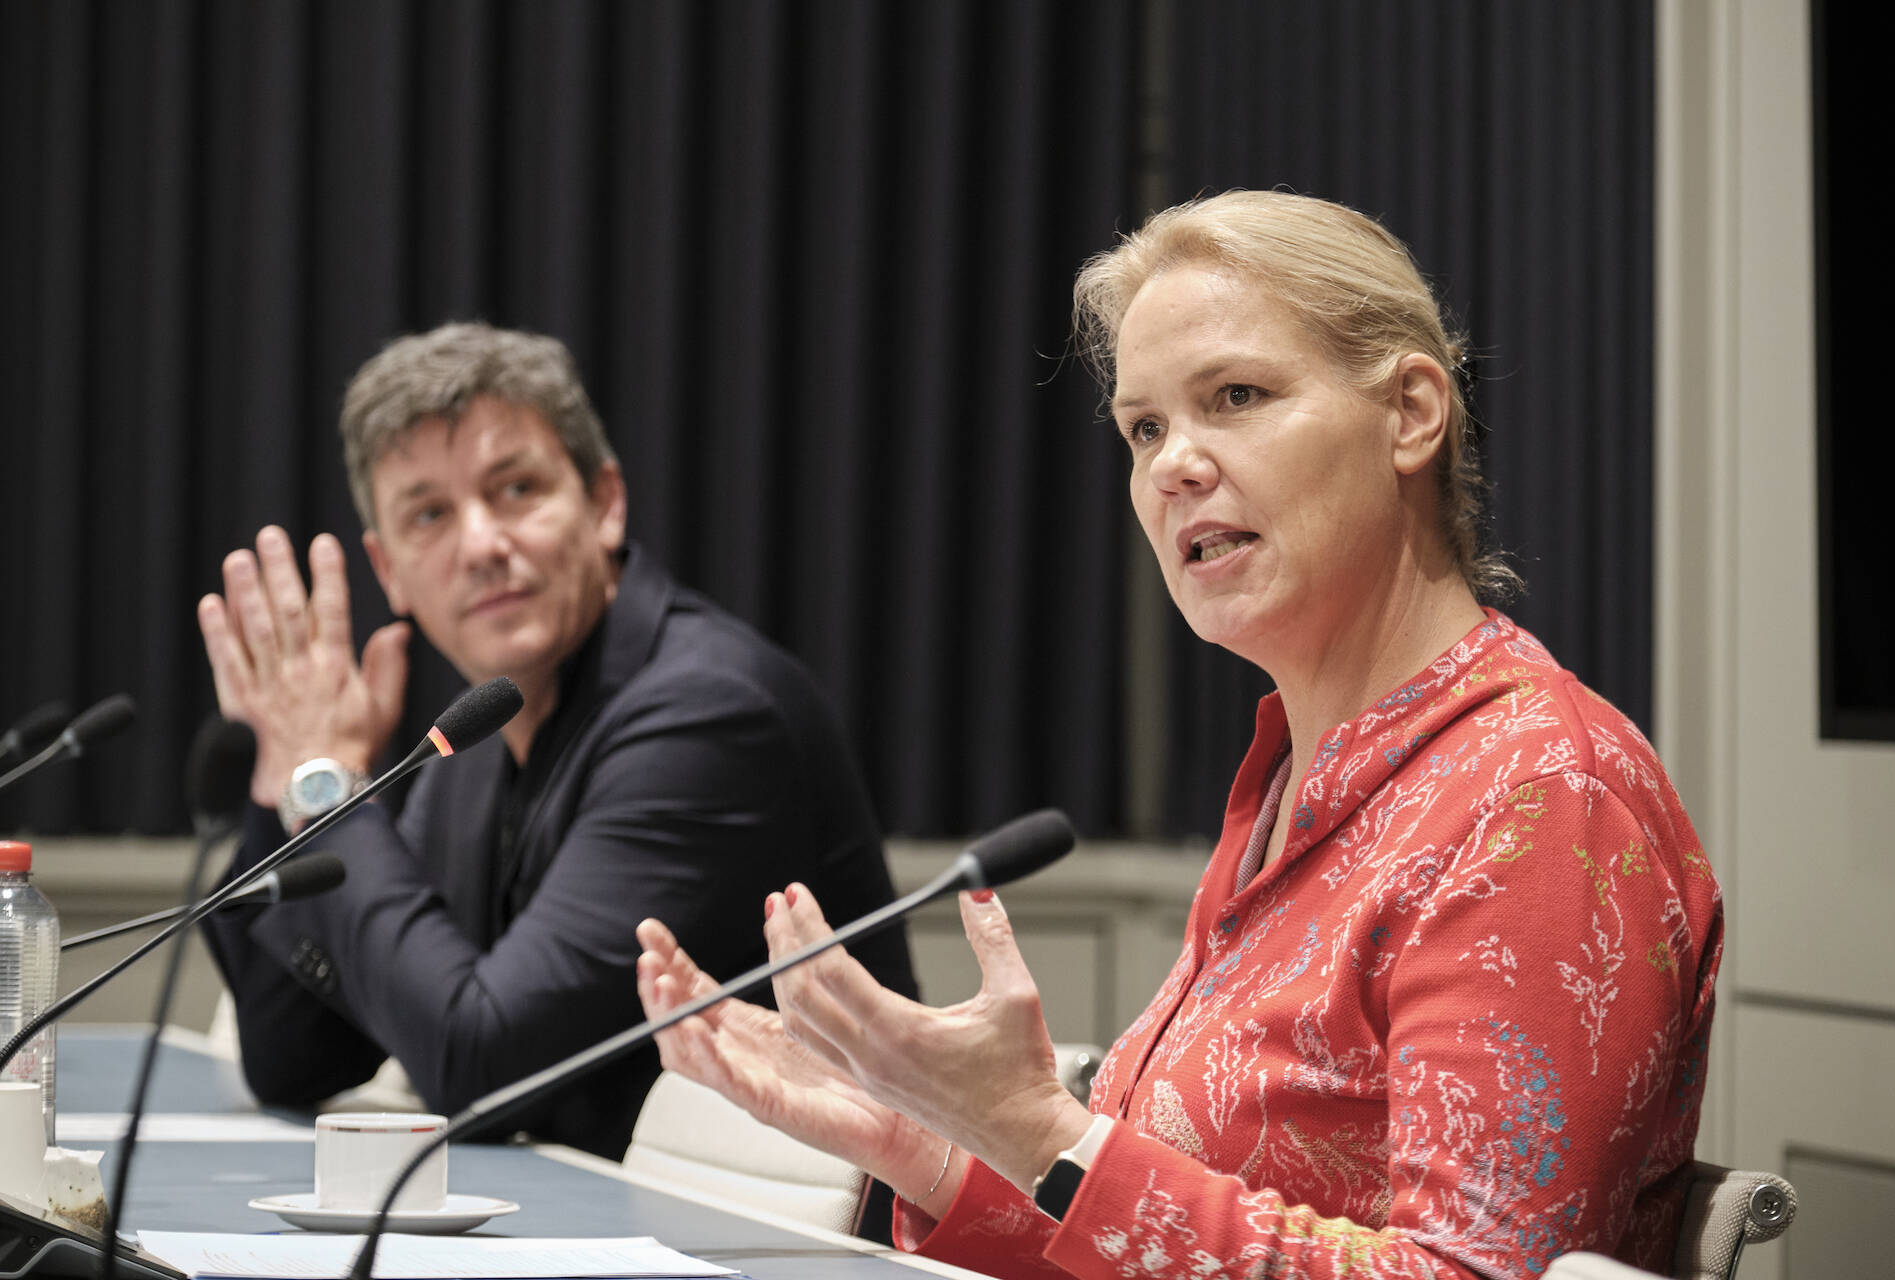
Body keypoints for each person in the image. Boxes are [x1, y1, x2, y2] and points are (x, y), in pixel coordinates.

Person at [635, 192, 1721, 1278]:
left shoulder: (1539, 794)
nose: (1171, 466)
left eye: (1235, 396)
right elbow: (1147, 1244)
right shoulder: (1295, 776)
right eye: (1144, 427)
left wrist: (1037, 1130)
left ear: (1412, 413)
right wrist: (907, 1134)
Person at [197, 322, 916, 1161]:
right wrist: (286, 772)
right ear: (389, 571)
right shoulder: (476, 742)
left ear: (605, 503)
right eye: (429, 514)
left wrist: (326, 786)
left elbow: (483, 1066)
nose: (482, 545)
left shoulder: (709, 717)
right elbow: (295, 1056)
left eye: (516, 489)